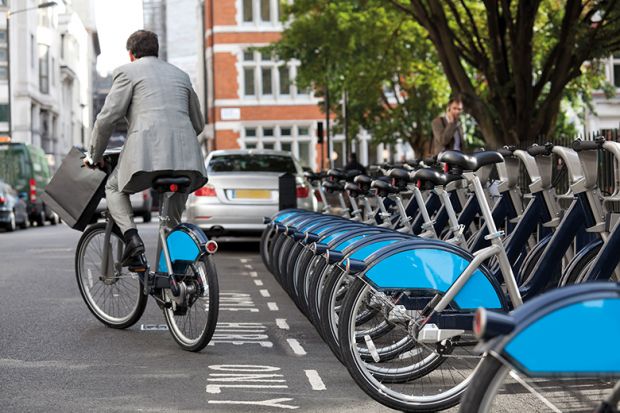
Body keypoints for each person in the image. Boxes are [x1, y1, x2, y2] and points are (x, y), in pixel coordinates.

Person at [85, 30, 207, 266]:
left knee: (114, 188)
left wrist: (94, 155)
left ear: (131, 55)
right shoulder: (180, 75)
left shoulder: (127, 72)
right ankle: (175, 283)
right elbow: (199, 124)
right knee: (171, 223)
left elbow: (107, 119)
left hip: (147, 159)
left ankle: (132, 239)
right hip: (188, 162)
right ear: (156, 51)